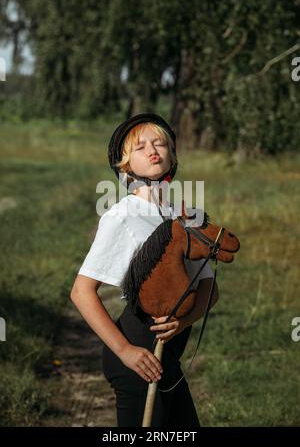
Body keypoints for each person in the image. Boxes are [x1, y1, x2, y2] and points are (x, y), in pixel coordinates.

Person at [70, 113, 219, 427]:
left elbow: (210, 289)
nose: (153, 150)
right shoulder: (121, 216)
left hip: (170, 358)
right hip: (137, 358)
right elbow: (81, 292)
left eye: (160, 143)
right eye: (140, 147)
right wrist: (125, 351)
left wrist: (183, 322)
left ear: (172, 155)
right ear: (125, 166)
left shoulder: (187, 217)